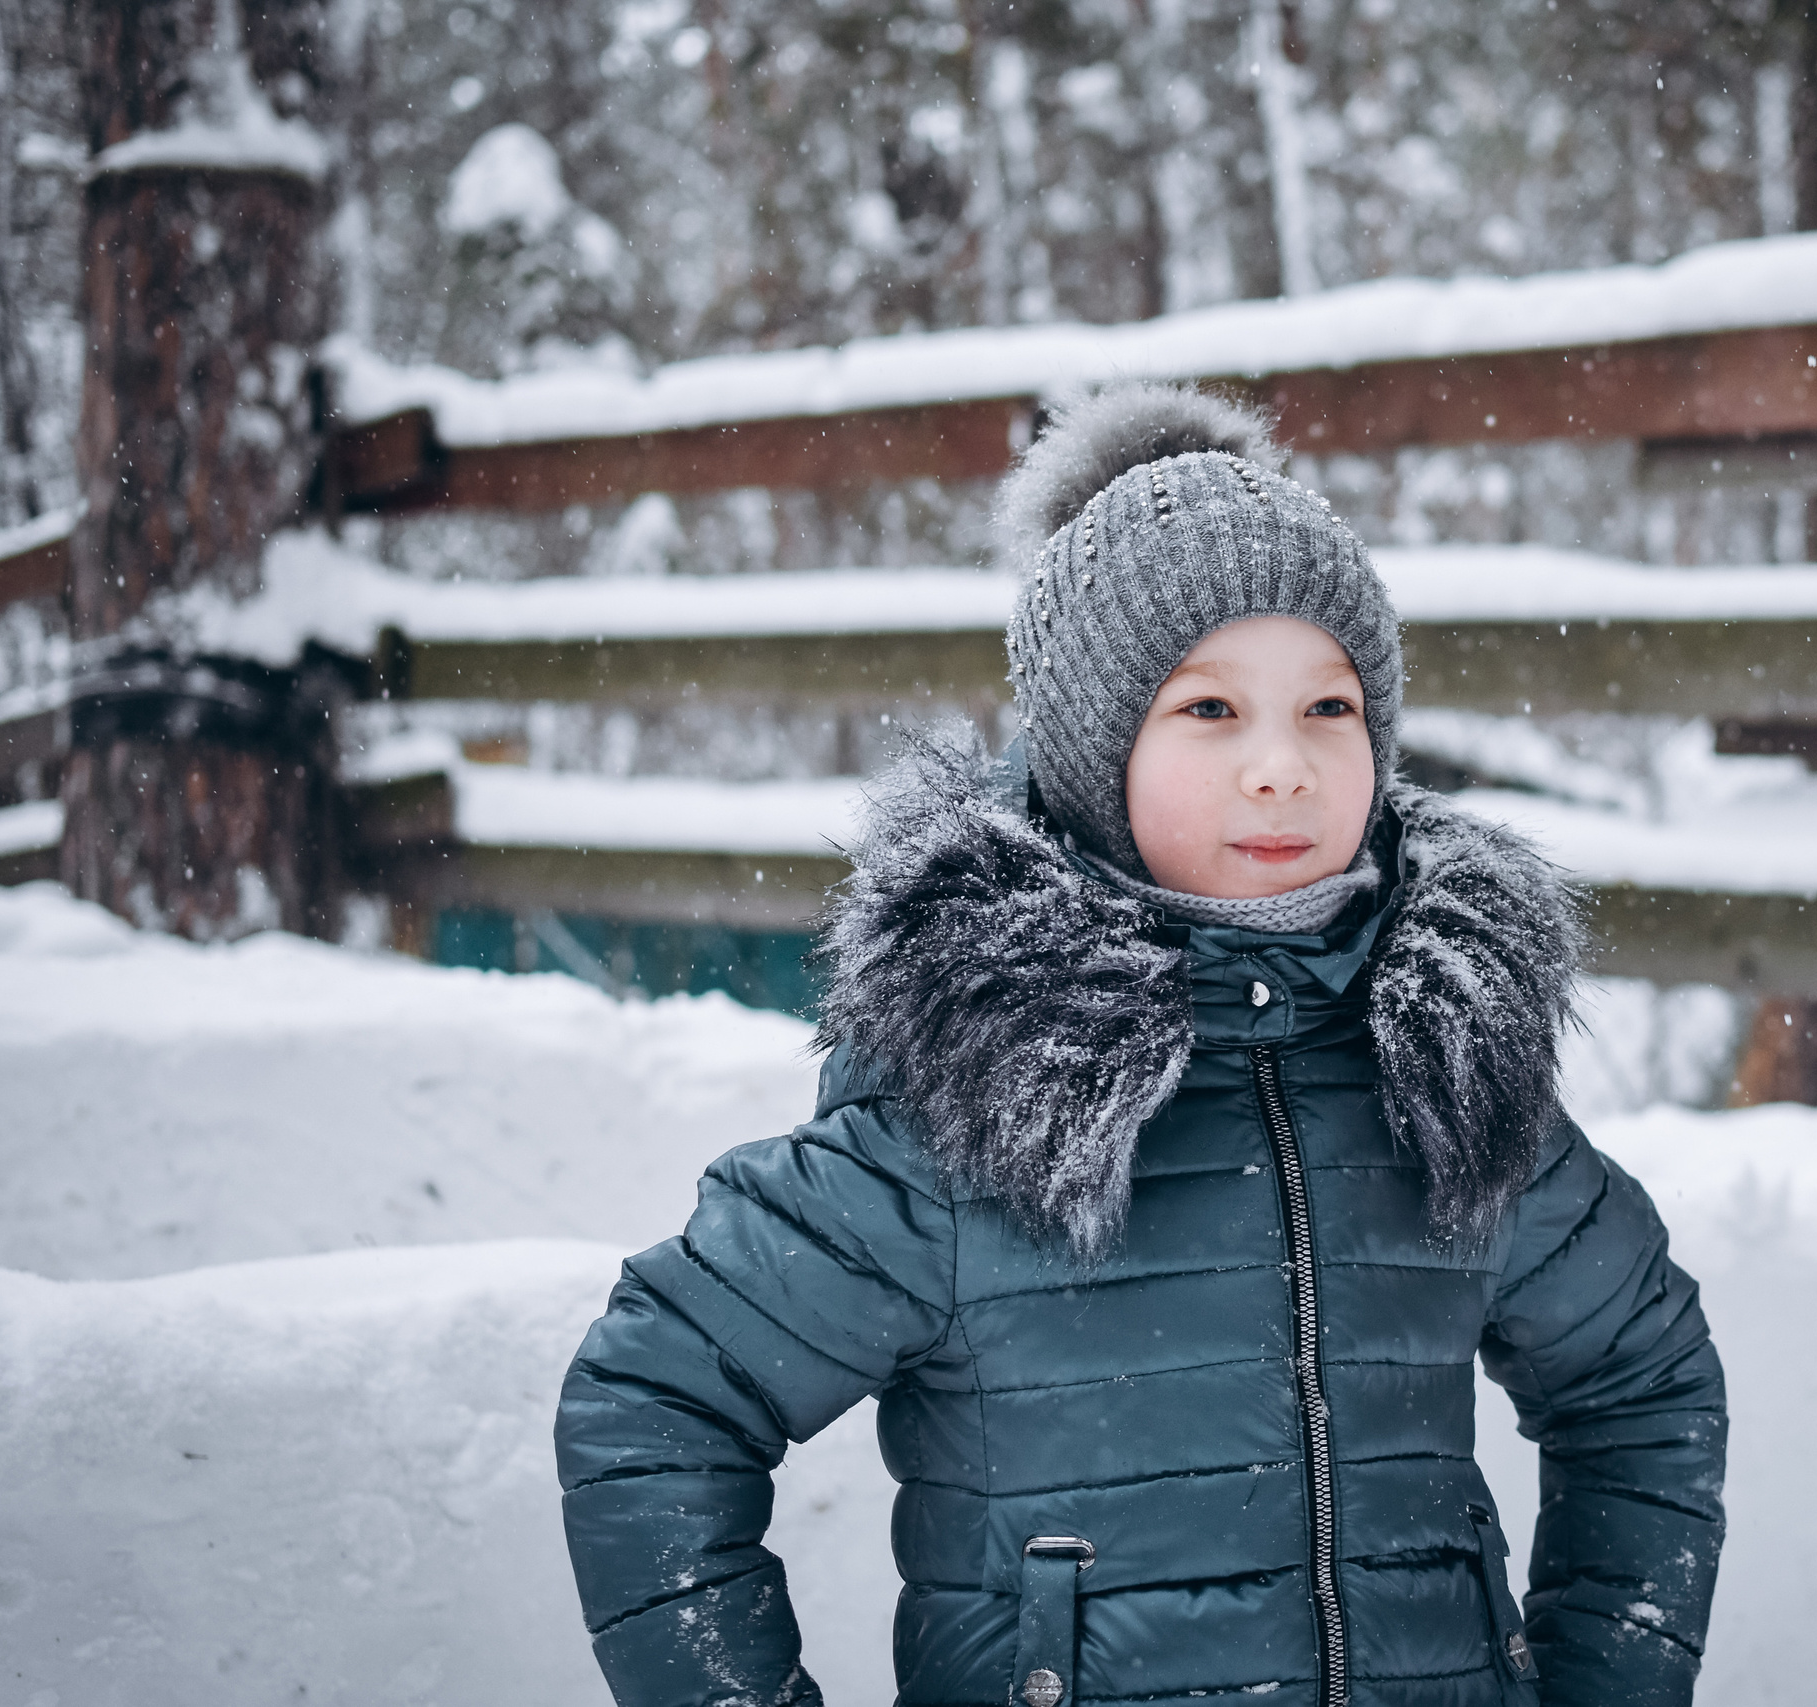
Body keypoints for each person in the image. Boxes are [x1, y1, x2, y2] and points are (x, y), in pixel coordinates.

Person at [553, 384, 1728, 1707]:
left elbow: (1643, 1381)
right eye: (1210, 711)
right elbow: (656, 1402)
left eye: (1330, 709)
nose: (1282, 766)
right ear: (1090, 751)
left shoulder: (1440, 1076)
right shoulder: (979, 1109)